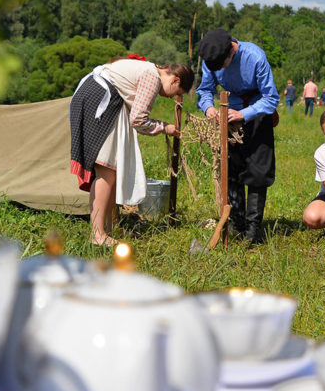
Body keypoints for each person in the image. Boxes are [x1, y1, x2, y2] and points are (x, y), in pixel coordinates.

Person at [69, 56, 194, 245]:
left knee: (112, 171)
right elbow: (138, 120)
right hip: (101, 99)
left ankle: (112, 227)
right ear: (174, 80)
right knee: (106, 171)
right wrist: (165, 127)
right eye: (176, 92)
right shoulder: (152, 77)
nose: (170, 97)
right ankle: (97, 234)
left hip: (100, 97)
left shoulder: (148, 70)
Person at [197, 28, 281, 244]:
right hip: (228, 117)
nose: (220, 70)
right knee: (231, 171)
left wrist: (244, 114)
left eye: (223, 65)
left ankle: (253, 231)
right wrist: (209, 109)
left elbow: (270, 98)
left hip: (257, 114)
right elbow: (205, 90)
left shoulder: (255, 57)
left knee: (257, 173)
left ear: (231, 51)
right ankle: (236, 224)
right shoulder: (211, 60)